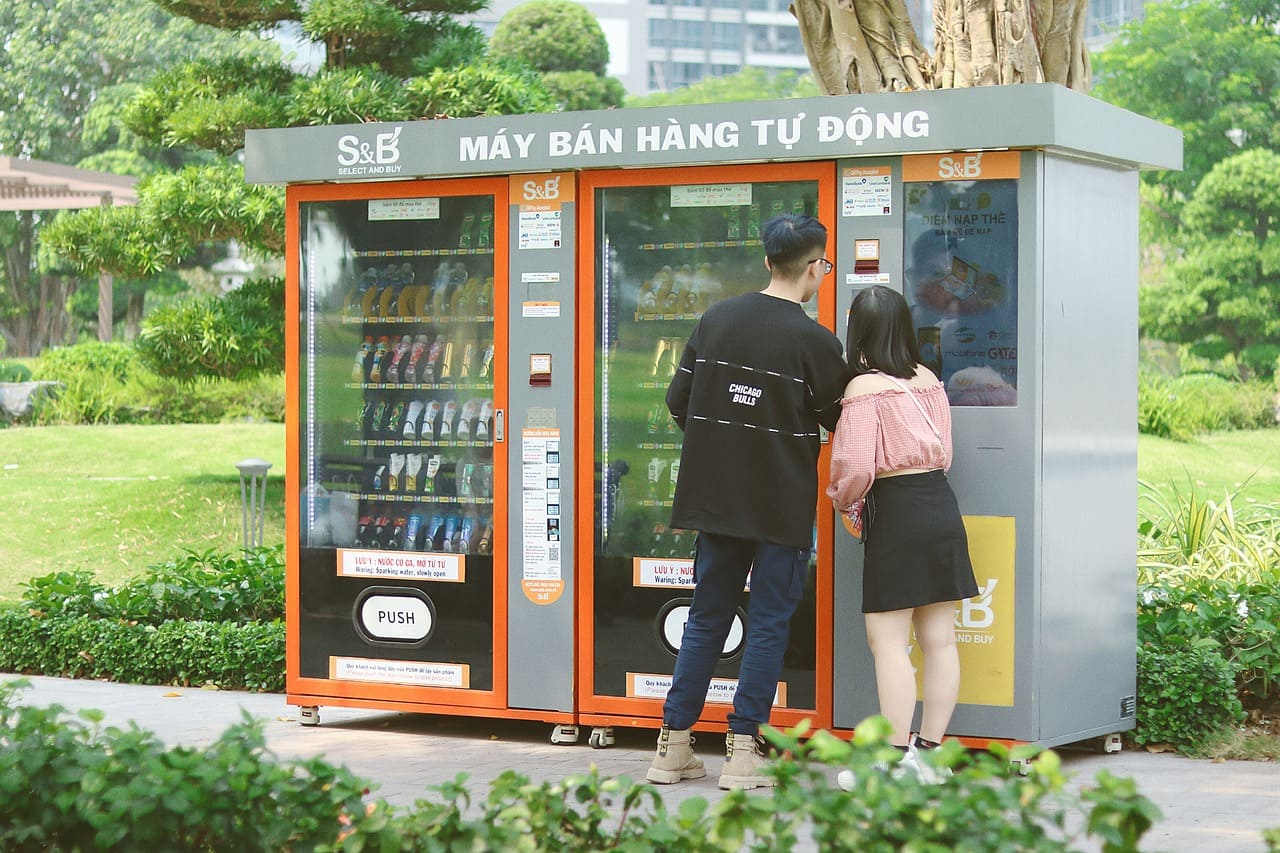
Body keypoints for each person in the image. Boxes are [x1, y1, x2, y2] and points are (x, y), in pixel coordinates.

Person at [646, 214, 848, 791]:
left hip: (715, 501)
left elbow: (678, 399)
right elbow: (839, 419)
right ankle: (743, 750)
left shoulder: (716, 319)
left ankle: (673, 746)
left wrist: (722, 445)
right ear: (814, 269)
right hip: (780, 506)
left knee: (706, 618)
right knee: (767, 624)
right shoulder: (814, 340)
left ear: (767, 262)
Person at [826, 284, 979, 787]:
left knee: (888, 642)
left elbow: (853, 466)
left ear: (860, 332)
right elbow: (947, 451)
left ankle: (890, 763)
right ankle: (929, 756)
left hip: (896, 511)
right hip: (939, 504)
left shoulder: (862, 390)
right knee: (939, 639)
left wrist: (843, 503)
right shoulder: (929, 379)